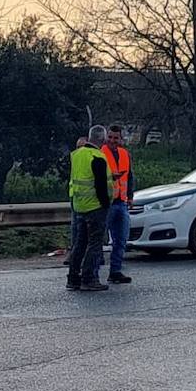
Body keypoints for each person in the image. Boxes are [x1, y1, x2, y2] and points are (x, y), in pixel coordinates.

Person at [67, 125, 112, 292]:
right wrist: (106, 204)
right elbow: (100, 186)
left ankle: (73, 278)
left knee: (79, 243)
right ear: (102, 139)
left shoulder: (77, 155)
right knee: (94, 244)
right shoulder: (97, 157)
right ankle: (89, 278)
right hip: (95, 206)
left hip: (79, 205)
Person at [100, 124, 136, 285]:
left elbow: (129, 177)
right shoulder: (101, 153)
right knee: (98, 239)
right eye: (110, 137)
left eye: (116, 138)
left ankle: (115, 271)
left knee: (121, 239)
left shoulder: (124, 154)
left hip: (121, 202)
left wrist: (130, 197)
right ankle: (91, 273)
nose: (112, 140)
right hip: (106, 203)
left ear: (121, 139)